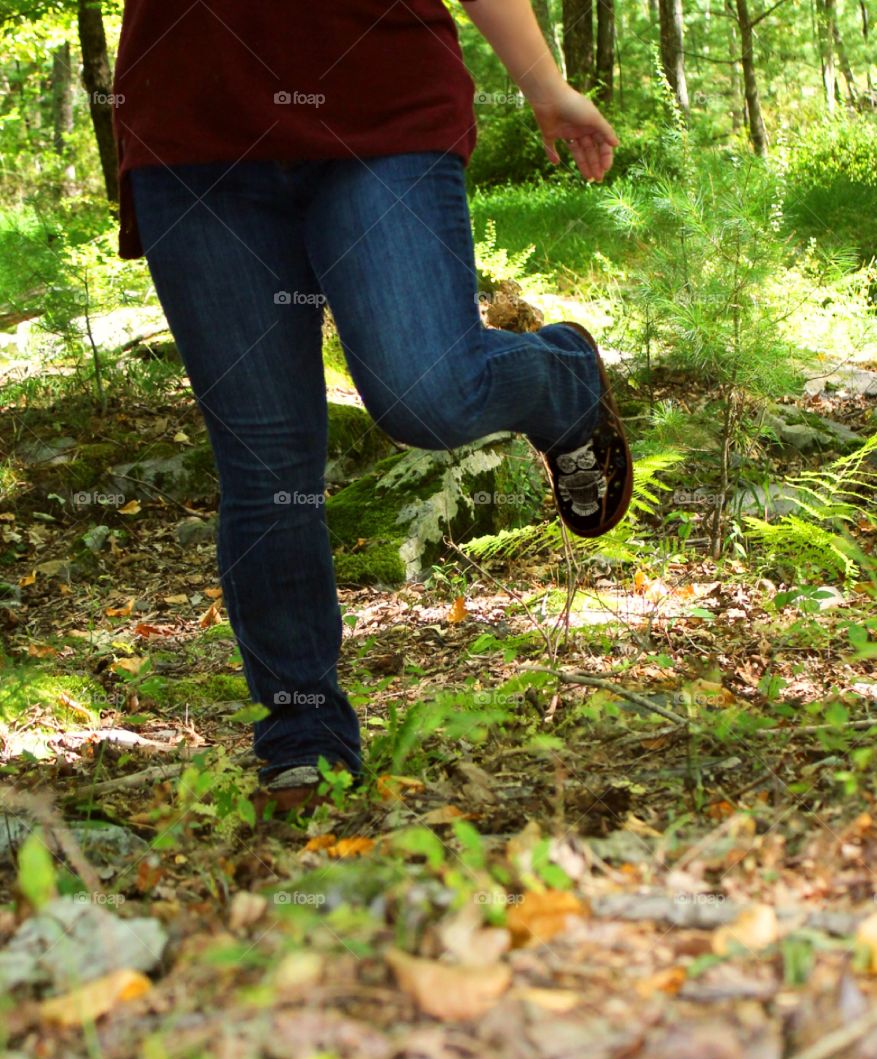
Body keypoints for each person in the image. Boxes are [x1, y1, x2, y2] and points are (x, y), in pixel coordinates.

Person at [112, 0, 633, 813]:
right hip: (192, 128)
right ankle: (302, 740)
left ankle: (561, 378)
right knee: (264, 464)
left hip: (381, 102)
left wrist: (543, 83)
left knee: (428, 390)